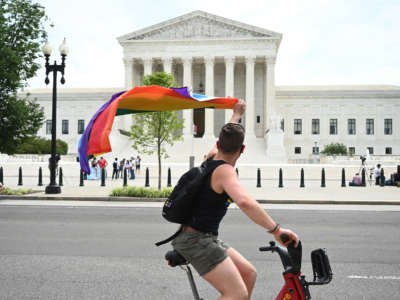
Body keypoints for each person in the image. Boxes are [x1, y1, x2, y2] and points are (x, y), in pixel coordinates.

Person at [172, 100, 299, 299]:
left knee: (248, 274)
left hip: (203, 237)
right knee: (236, 293)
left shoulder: (211, 158)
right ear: (243, 149)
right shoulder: (225, 171)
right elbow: (245, 202)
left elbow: (226, 136)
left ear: (219, 143)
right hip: (195, 240)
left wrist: (236, 115)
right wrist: (276, 230)